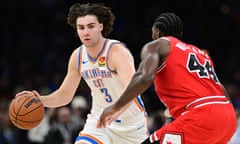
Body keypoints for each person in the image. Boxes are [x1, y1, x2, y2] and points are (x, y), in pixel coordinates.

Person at [15, 2, 148, 144]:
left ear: (100, 26)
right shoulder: (77, 56)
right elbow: (65, 95)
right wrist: (40, 100)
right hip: (99, 121)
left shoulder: (116, 52)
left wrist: (115, 109)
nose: (86, 32)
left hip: (131, 125)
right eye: (81, 27)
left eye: (91, 26)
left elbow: (134, 87)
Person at [97, 12, 237, 144]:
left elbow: (144, 78)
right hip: (228, 118)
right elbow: (221, 90)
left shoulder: (159, 45)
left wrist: (116, 107)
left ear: (157, 32)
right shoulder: (201, 54)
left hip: (201, 116)